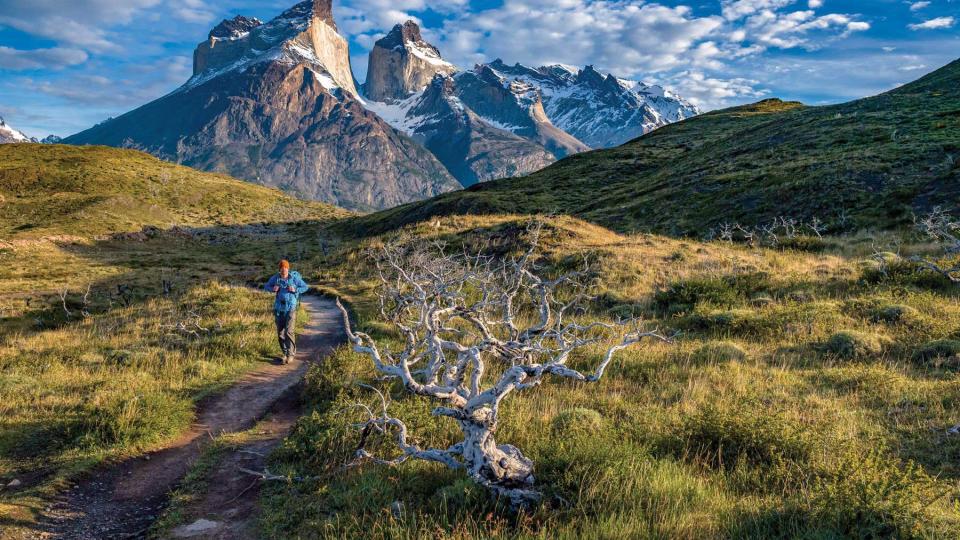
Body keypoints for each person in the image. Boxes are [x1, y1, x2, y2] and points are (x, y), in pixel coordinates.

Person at [264, 260, 309, 364]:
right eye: (282, 268)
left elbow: (305, 287)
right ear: (279, 269)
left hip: (291, 307)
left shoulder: (294, 278)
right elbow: (266, 286)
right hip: (279, 309)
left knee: (289, 331)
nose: (284, 269)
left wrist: (295, 289)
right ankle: (284, 353)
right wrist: (273, 289)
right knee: (280, 333)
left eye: (285, 268)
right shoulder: (275, 278)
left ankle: (290, 354)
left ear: (288, 268)